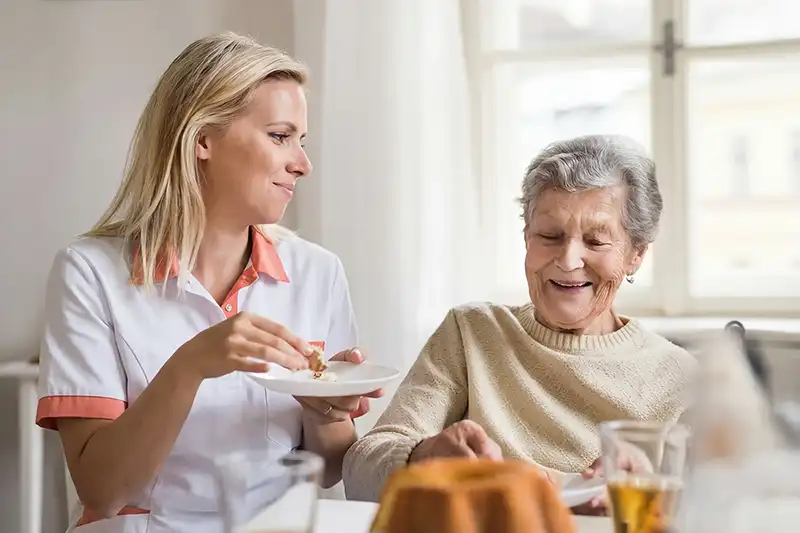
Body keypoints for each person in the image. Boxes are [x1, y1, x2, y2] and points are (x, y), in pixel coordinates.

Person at [36, 33, 381, 533]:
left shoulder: (318, 272)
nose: (303, 164)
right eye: (280, 136)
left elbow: (329, 469)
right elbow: (103, 490)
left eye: (301, 141)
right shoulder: (88, 272)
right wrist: (192, 364)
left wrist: (326, 411)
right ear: (202, 139)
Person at [342, 134, 696, 514]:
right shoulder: (472, 332)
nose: (568, 260)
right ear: (527, 238)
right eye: (550, 236)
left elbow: (712, 509)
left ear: (635, 254)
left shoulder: (680, 377)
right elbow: (360, 472)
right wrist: (423, 457)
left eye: (595, 241)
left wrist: (649, 501)